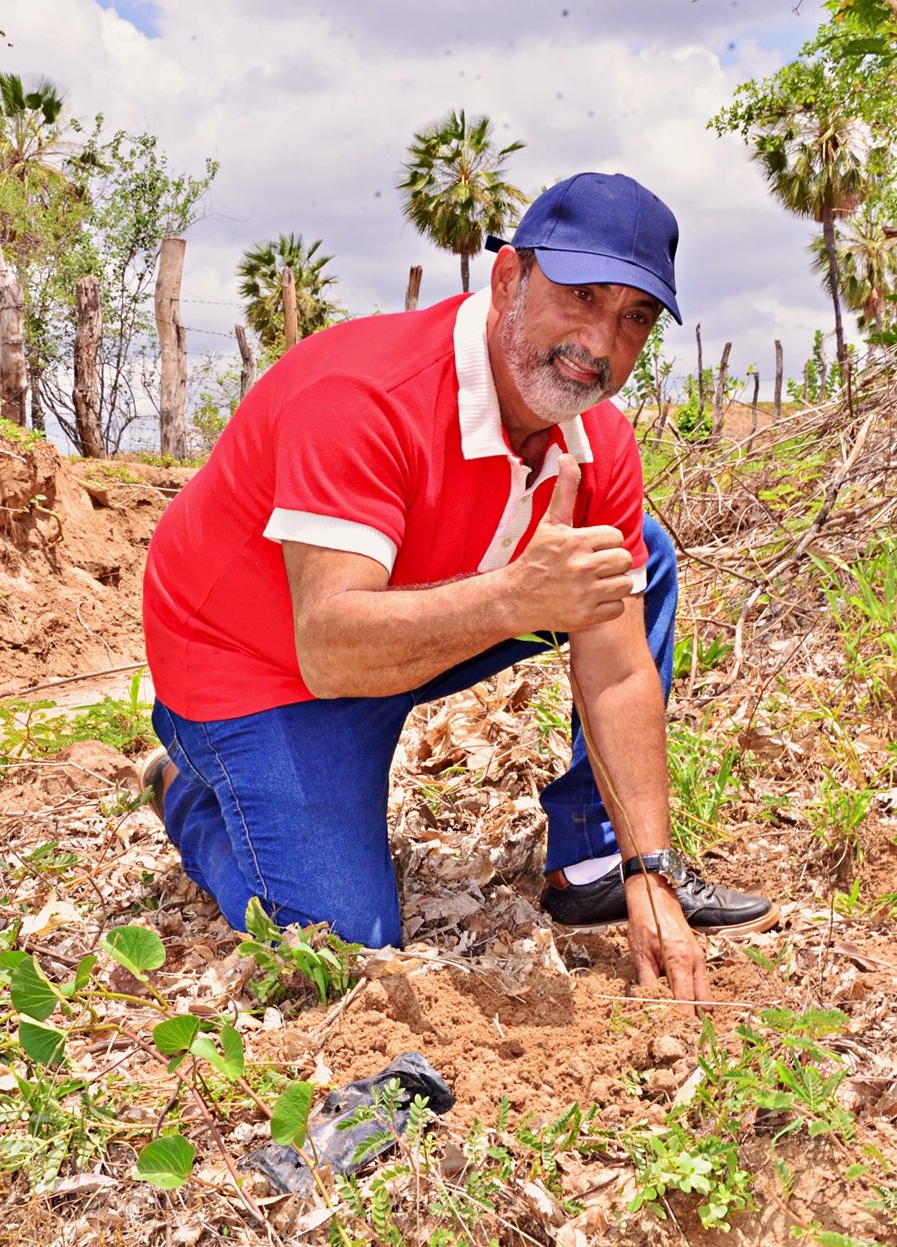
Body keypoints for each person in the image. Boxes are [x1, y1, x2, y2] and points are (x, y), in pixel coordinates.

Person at [140, 172, 778, 1006]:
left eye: (633, 318)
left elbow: (619, 671)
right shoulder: (365, 394)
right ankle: (188, 795)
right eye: (580, 296)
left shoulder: (597, 441)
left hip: (414, 614)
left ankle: (589, 858)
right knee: (342, 947)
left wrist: (648, 872)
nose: (600, 343)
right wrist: (514, 598)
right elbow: (327, 648)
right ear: (508, 279)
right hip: (257, 668)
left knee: (625, 560)